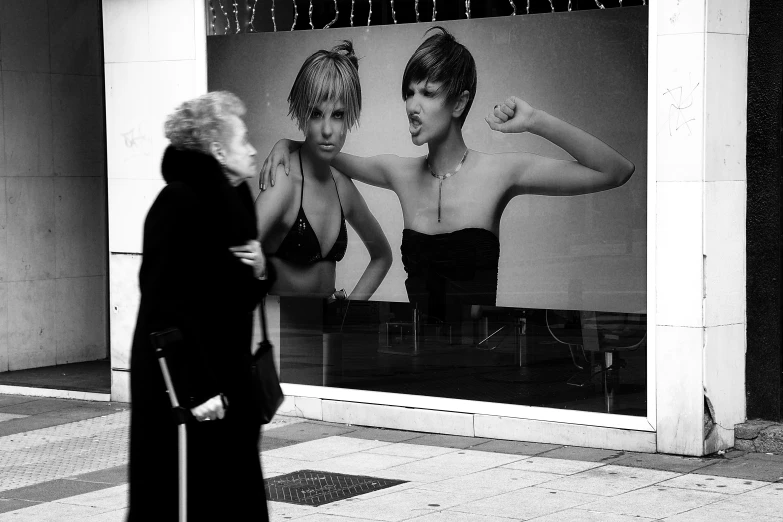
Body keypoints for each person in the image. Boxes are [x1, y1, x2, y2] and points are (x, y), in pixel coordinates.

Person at [261, 27, 635, 325]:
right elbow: (326, 148)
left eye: (427, 92)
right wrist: (286, 143)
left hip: (482, 361)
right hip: (415, 360)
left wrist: (536, 121)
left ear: (458, 102)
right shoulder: (398, 172)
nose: (412, 106)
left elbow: (615, 171)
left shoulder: (501, 172)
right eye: (409, 92)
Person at [128, 92, 270, 521]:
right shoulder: (179, 202)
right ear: (218, 150)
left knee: (230, 494)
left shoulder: (237, 203)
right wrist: (197, 390)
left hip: (229, 380)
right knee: (186, 498)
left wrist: (263, 270)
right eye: (243, 138)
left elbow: (239, 297)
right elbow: (161, 306)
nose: (253, 147)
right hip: (189, 388)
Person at [255, 40, 392, 302]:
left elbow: (382, 257)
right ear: (302, 114)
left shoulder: (342, 187)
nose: (327, 129)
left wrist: (348, 312)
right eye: (317, 114)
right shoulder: (284, 181)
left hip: (327, 336)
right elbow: (233, 256)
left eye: (338, 115)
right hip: (285, 336)